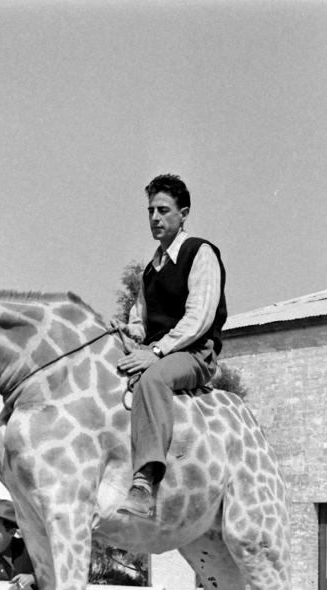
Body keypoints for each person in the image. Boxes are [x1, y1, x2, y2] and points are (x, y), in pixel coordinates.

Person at [116, 173, 227, 519]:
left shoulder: (200, 253)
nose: (155, 218)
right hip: (161, 350)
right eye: (150, 211)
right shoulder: (152, 269)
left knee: (153, 379)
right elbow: (140, 320)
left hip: (195, 354)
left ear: (184, 213)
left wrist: (156, 352)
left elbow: (199, 319)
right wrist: (124, 332)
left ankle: (144, 482)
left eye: (163, 210)